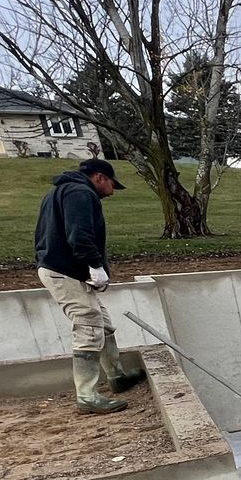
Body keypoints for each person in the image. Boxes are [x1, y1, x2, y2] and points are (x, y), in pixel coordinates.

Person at [35, 157, 144, 414]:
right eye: (112, 184)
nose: (113, 191)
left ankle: (116, 376)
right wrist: (95, 265)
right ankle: (86, 396)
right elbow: (79, 233)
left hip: (62, 268)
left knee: (101, 323)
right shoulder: (80, 192)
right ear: (100, 178)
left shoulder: (59, 192)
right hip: (63, 271)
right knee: (88, 324)